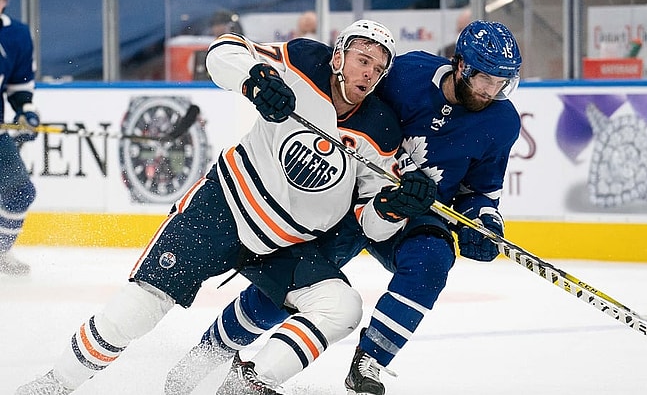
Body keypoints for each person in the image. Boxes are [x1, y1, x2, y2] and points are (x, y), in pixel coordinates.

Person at [15, 19, 438, 395]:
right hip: (224, 210)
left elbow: (373, 225)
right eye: (362, 59)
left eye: (378, 68)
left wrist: (395, 207)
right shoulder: (304, 59)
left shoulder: (382, 130)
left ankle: (245, 387)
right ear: (339, 56)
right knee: (138, 309)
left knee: (342, 307)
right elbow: (224, 50)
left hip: (286, 246)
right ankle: (54, 385)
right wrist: (255, 79)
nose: (369, 71)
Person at [165, 20, 522, 395]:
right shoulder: (408, 73)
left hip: (416, 210)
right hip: (348, 196)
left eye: (501, 82)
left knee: (432, 261)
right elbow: (349, 97)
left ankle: (371, 361)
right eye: (485, 79)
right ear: (461, 64)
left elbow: (480, 189)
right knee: (287, 289)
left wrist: (483, 221)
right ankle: (205, 356)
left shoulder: (502, 121)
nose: (490, 90)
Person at [0, 0, 40, 276]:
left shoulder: (16, 35)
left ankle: (0, 252)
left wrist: (26, 111)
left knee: (19, 192)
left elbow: (18, 85)